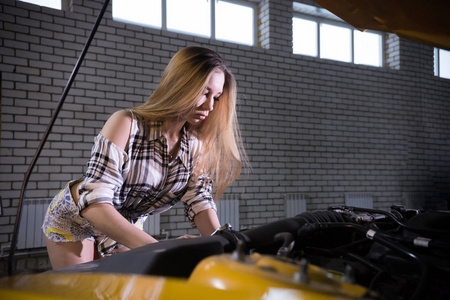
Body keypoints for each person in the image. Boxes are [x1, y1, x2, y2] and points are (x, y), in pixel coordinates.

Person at [42, 46, 247, 270]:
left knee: (123, 291)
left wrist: (221, 244)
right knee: (81, 291)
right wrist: (163, 249)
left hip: (124, 224)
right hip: (78, 218)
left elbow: (198, 199)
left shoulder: (195, 144)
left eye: (216, 97)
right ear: (180, 85)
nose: (209, 106)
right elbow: (95, 205)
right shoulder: (127, 124)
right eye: (204, 93)